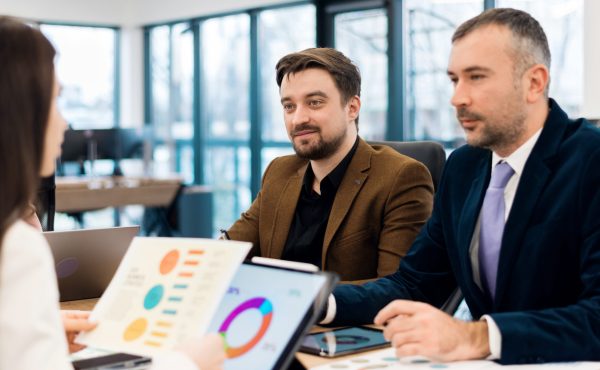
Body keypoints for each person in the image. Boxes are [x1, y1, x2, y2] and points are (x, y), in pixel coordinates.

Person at [326, 8, 600, 364]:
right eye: (454, 79)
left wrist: (478, 335)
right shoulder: (464, 166)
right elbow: (413, 283)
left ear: (534, 82)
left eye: (476, 77)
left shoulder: (589, 160)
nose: (457, 97)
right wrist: (319, 302)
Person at [0, 16, 224, 370]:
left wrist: (30, 334)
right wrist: (187, 363)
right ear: (18, 113)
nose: (64, 123)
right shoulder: (15, 248)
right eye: (54, 102)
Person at [227, 48, 434, 283]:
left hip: (346, 319)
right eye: (289, 106)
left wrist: (299, 297)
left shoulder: (401, 177)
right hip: (268, 314)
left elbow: (397, 286)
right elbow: (227, 252)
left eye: (314, 103)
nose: (298, 119)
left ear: (352, 108)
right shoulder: (279, 172)